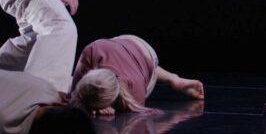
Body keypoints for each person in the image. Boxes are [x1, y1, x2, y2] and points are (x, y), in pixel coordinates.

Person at [69, 35, 205, 115]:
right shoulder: (93, 49)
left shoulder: (134, 91)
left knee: (144, 69)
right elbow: (74, 94)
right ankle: (173, 78)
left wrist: (110, 108)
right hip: (127, 41)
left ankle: (171, 78)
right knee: (133, 65)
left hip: (149, 57)